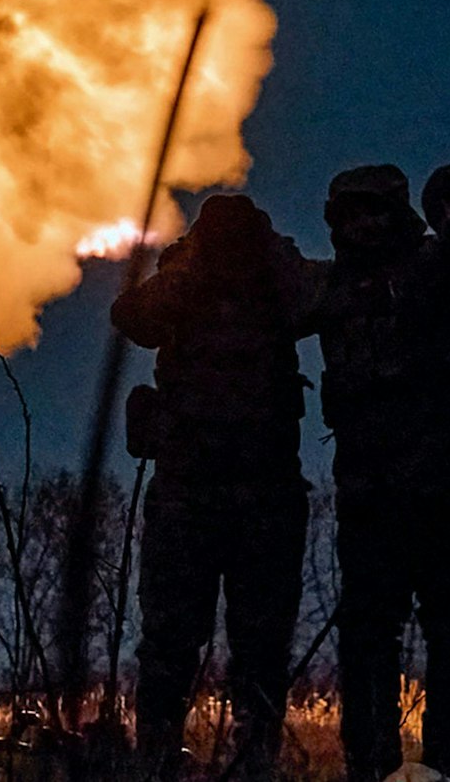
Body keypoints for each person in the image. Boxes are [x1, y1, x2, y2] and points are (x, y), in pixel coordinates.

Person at [111, 194, 317, 782]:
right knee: (170, 642)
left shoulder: (278, 282)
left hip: (263, 493)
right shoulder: (184, 279)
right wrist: (194, 266)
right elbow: (134, 318)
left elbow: (313, 301)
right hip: (189, 491)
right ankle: (157, 758)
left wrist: (266, 254)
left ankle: (255, 762)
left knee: (260, 645)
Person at [312, 165, 450, 782]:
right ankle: (371, 767)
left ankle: (448, 768)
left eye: (374, 213)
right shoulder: (331, 289)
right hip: (369, 498)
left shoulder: (442, 268)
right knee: (368, 640)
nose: (363, 226)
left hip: (448, 494)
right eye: (350, 216)